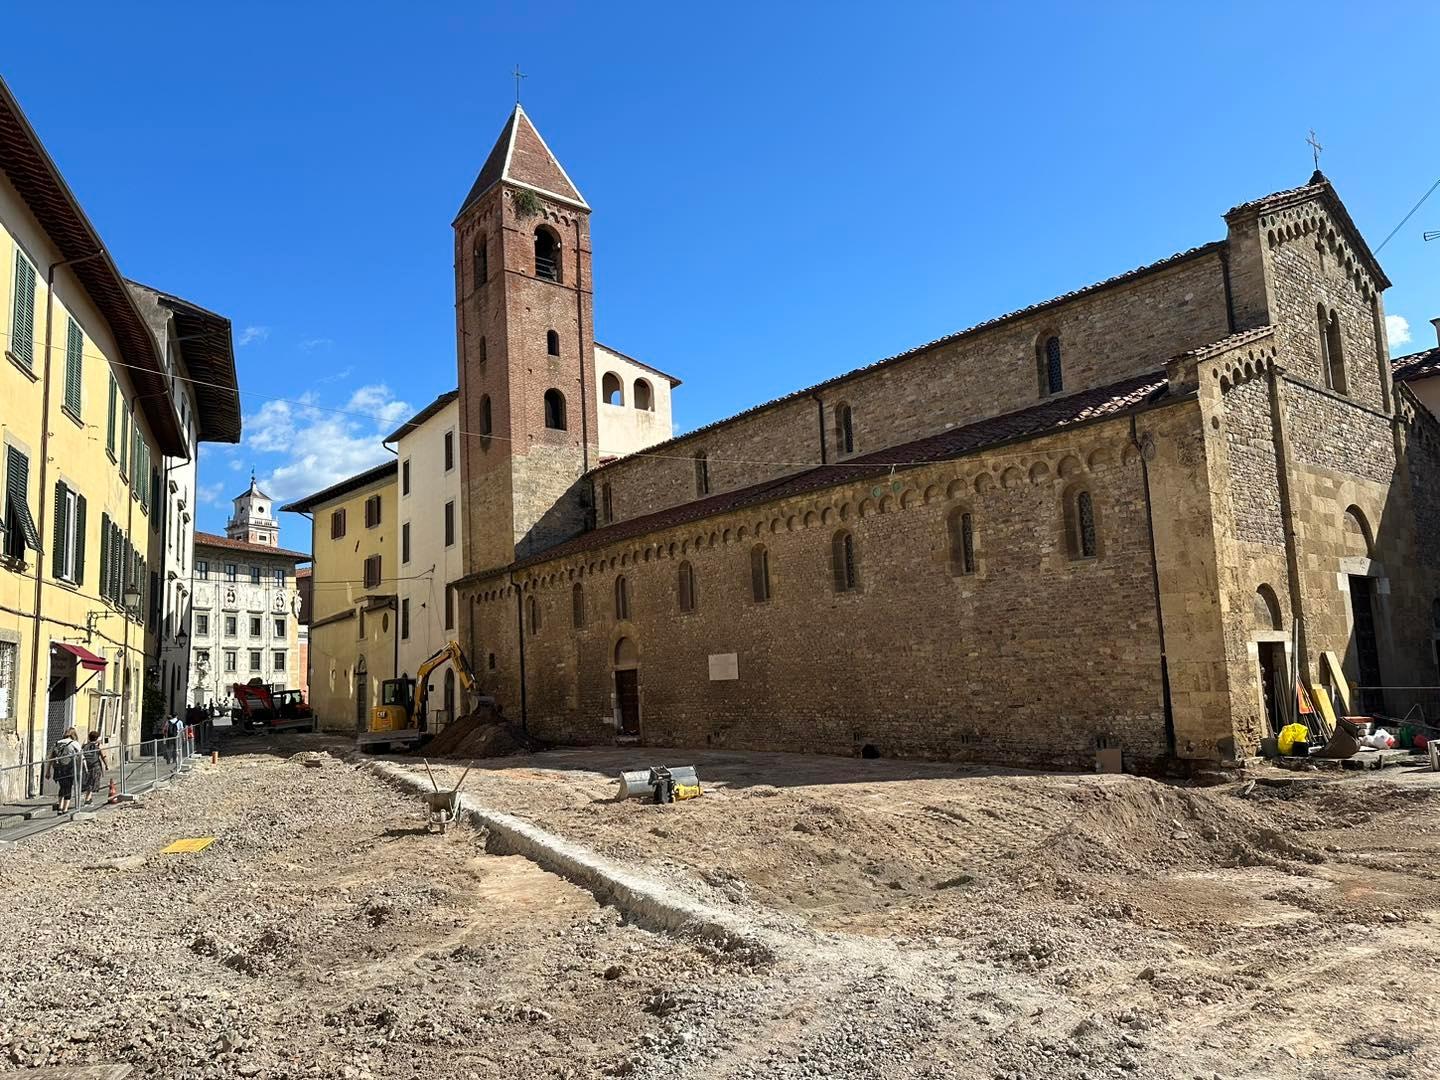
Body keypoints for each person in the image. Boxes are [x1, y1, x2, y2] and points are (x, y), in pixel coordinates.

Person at [46, 727, 84, 813]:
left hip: (58, 769)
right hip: (69, 768)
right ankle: (65, 808)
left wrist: (48, 771)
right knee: (68, 788)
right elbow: (82, 756)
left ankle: (60, 807)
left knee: (62, 787)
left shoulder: (57, 743)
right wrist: (83, 768)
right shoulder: (74, 743)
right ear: (74, 735)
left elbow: (51, 758)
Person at [81, 729, 107, 805]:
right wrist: (106, 765)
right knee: (92, 783)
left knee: (88, 781)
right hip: (95, 766)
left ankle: (89, 798)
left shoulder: (85, 746)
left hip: (86, 766)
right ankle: (87, 799)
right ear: (97, 738)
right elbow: (103, 756)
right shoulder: (98, 746)